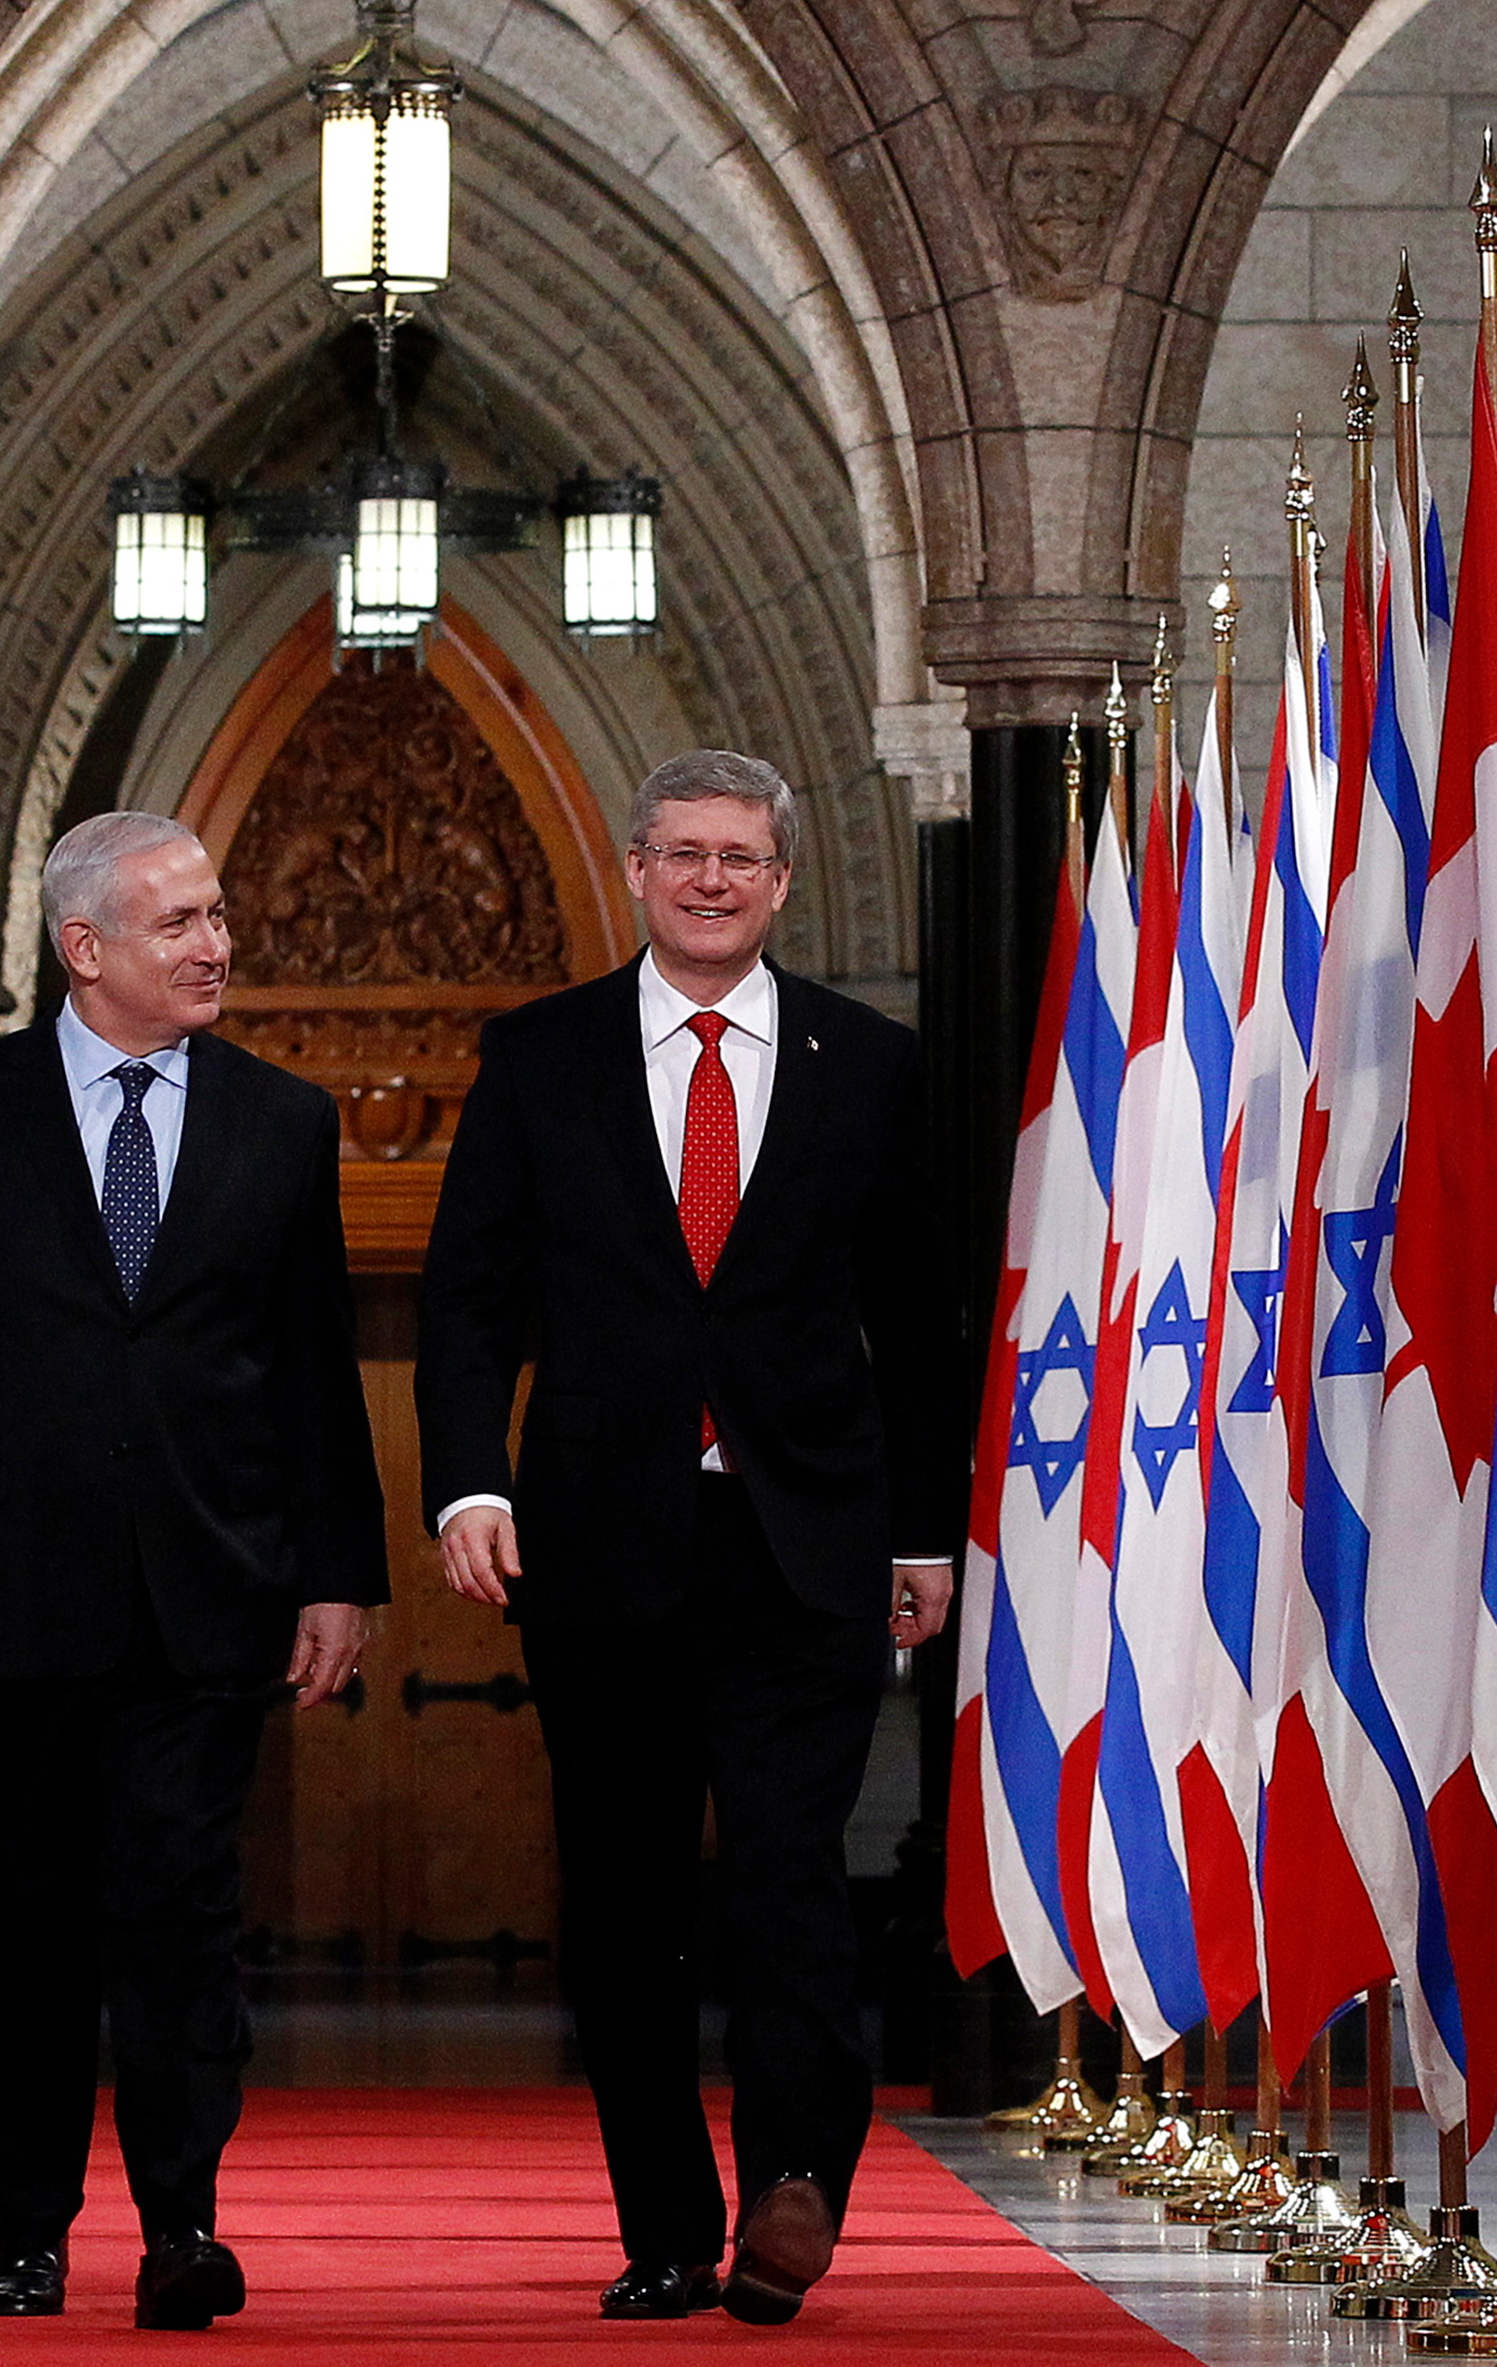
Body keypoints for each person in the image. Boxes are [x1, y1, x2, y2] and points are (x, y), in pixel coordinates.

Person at [0, 809, 388, 2330]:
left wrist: (339, 1576)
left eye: (215, 915)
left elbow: (313, 1371)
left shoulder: (281, 1120)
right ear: (85, 949)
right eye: (180, 923)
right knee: (17, 1927)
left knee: (183, 1916)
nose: (216, 945)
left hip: (206, 1595)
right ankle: (25, 2227)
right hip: (3, 1597)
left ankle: (185, 2226)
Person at [415, 748, 957, 2326]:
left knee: (794, 1876)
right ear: (637, 869)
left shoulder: (871, 1065)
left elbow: (917, 1321)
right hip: (601, 1549)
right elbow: (465, 1300)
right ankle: (666, 2227)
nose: (714, 880)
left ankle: (796, 2187)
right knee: (627, 1903)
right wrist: (468, 1486)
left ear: (784, 883)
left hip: (809, 1548)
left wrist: (929, 1533)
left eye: (744, 857)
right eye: (686, 854)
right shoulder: (539, 1058)